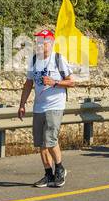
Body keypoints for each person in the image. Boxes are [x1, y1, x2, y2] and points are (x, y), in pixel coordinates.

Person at [19, 28, 74, 187]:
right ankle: (48, 174)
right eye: (38, 41)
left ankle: (60, 169)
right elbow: (29, 83)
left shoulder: (58, 59)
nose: (40, 44)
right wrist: (22, 104)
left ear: (51, 42)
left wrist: (54, 82)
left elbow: (71, 82)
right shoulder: (34, 60)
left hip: (55, 105)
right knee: (40, 143)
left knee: (50, 140)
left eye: (43, 41)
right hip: (38, 106)